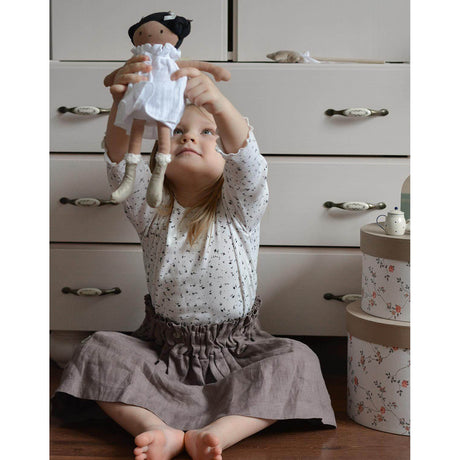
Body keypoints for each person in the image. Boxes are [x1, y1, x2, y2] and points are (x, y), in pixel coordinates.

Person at [52, 56, 336, 460]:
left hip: (238, 349)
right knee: (96, 349)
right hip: (162, 350)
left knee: (299, 359)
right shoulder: (150, 211)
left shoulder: (240, 210)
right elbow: (119, 163)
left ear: (226, 162)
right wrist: (121, 104)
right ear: (157, 159)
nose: (189, 138)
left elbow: (250, 163)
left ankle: (220, 432)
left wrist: (218, 102)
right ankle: (157, 430)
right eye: (178, 132)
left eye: (208, 134)